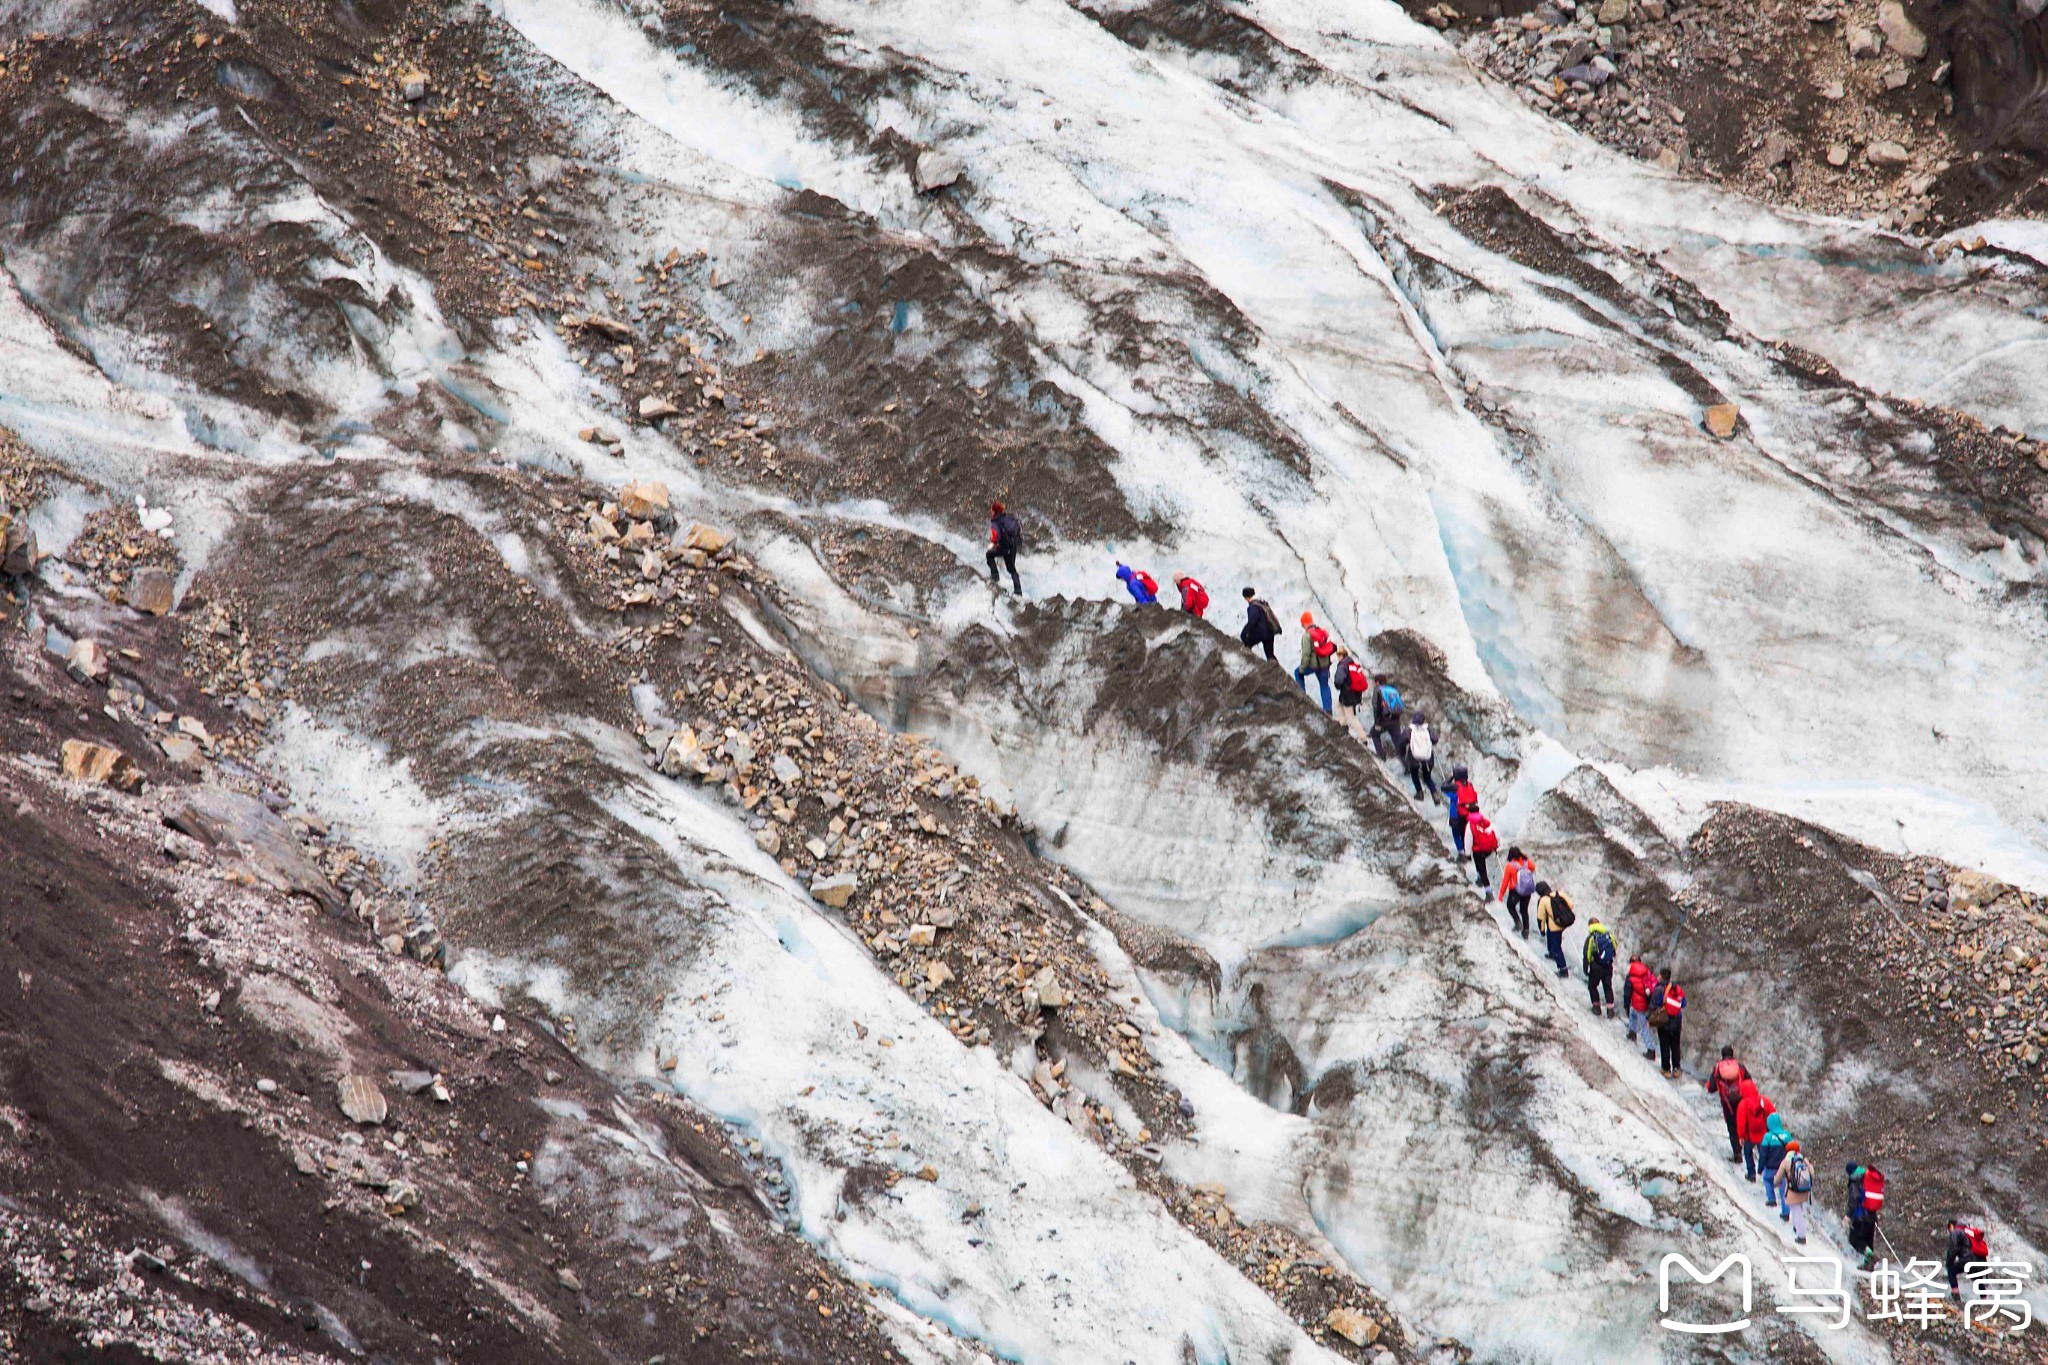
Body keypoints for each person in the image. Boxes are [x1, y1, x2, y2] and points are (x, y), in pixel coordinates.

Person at [1705, 1047, 1752, 1164]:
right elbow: (1749, 1081)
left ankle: (1737, 1154)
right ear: (1732, 1054)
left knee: (1732, 1127)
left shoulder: (1718, 1068)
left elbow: (1711, 1088)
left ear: (1722, 1055)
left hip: (1727, 1103)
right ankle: (1748, 1149)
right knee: (1742, 1123)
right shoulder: (1740, 1067)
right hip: (1741, 1100)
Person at [1844, 1164, 1884, 1269]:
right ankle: (1868, 1265)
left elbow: (1854, 1199)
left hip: (1860, 1216)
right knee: (1868, 1240)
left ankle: (1871, 1256)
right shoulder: (1867, 1177)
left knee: (1854, 1240)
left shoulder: (1855, 1181)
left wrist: (1848, 1216)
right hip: (1871, 1215)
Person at [1294, 613, 1335, 712]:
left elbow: (1306, 655)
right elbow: (1330, 647)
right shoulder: (1322, 632)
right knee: (1324, 685)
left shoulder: (1307, 636)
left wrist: (1302, 670)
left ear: (1304, 624)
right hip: (1325, 665)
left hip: (1314, 665)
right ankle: (1328, 710)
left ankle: (1302, 700)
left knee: (1297, 672)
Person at [1775, 1141, 1814, 1244]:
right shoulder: (1803, 1159)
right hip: (1804, 1190)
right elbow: (1812, 1173)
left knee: (1796, 1212)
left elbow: (1778, 1177)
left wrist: (1774, 1183)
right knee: (1798, 1209)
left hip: (1793, 1191)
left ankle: (1801, 1236)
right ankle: (1796, 1227)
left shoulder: (1786, 1161)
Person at [1735, 1080, 1769, 1182]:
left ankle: (1751, 1174)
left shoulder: (1742, 1104)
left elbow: (1741, 1123)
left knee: (1748, 1153)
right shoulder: (1764, 1100)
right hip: (1763, 1135)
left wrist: (1740, 1136)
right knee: (1764, 1155)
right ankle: (1766, 1174)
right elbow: (1772, 1114)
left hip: (1749, 1137)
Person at [1625, 957, 1659, 1058]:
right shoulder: (1646, 971)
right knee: (1633, 1014)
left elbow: (1627, 993)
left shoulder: (1631, 977)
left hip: (1638, 1004)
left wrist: (1626, 1005)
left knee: (1644, 1027)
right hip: (1646, 1003)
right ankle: (1632, 1032)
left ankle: (1651, 1049)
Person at [1946, 1219, 1990, 1299]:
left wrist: (1949, 1262)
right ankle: (1984, 1300)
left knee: (1951, 1271)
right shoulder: (1969, 1232)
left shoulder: (1956, 1231)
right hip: (1980, 1260)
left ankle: (1955, 1295)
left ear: (1951, 1226)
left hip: (1968, 1259)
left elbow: (1953, 1248)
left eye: (1949, 1228)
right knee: (1977, 1279)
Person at [1498, 847, 1536, 938]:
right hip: (1527, 891)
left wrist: (1501, 895)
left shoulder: (1509, 866)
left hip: (1516, 891)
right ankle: (1526, 931)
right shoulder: (1527, 862)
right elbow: (1533, 868)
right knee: (1524, 910)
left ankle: (1518, 923)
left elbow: (1505, 881)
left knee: (1510, 906)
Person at [1758, 1112, 1791, 1214]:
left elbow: (1763, 1155)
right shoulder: (1787, 1135)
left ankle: (1771, 1199)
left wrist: (1760, 1168)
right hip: (1784, 1168)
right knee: (1783, 1190)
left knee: (1767, 1179)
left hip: (1770, 1167)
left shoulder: (1767, 1137)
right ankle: (1785, 1212)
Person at [1334, 649, 1371, 740]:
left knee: (1352, 717)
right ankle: (1343, 723)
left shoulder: (1342, 665)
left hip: (1347, 695)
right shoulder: (1352, 664)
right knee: (1338, 705)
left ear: (1340, 656)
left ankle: (1363, 738)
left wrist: (1338, 686)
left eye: (1338, 656)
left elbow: (1339, 680)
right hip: (1355, 694)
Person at [986, 502, 1023, 594]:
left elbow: (996, 535)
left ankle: (995, 577)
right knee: (1011, 569)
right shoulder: (1008, 518)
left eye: (992, 510)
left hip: (1003, 548)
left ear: (994, 511)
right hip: (1012, 546)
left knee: (989, 555)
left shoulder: (995, 522)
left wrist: (993, 543)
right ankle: (1018, 591)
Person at [1582, 917, 1616, 1016]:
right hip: (1608, 966)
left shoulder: (1591, 938)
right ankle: (1610, 1010)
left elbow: (1586, 954)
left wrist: (1586, 967)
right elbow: (1614, 947)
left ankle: (1597, 1007)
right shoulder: (1609, 935)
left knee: (1592, 986)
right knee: (1608, 987)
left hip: (1596, 967)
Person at [1653, 974, 1684, 1076]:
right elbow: (1683, 1003)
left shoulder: (1662, 991)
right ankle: (1676, 1069)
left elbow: (1656, 1003)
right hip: (1677, 1021)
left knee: (1665, 1046)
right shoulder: (1678, 992)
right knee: (1675, 1045)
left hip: (1665, 1021)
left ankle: (1666, 1069)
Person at [1441, 765, 1476, 852]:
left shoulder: (1455, 787)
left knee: (1456, 835)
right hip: (1467, 814)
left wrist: (1451, 777)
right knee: (1463, 834)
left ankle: (1461, 853)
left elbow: (1443, 787)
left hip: (1455, 815)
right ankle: (1466, 850)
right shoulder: (1470, 785)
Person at [1239, 587, 1280, 661]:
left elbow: (1252, 621)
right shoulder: (1262, 602)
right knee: (1270, 654)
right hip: (1270, 631)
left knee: (1246, 646)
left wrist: (1244, 633)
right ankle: (1276, 670)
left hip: (1261, 632)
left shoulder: (1253, 607)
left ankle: (1245, 662)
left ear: (1246, 597)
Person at [1368, 676, 1405, 758]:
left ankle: (1381, 755)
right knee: (1397, 741)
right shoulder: (1392, 690)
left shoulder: (1378, 690)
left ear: (1377, 682)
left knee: (1374, 734)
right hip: (1395, 720)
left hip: (1384, 721)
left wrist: (1377, 723)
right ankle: (1406, 763)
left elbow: (1376, 708)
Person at [1406, 711, 1438, 803]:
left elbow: (1403, 741)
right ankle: (1435, 794)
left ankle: (1420, 793)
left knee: (1414, 774)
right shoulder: (1428, 728)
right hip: (1427, 758)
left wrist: (1402, 752)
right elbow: (1435, 739)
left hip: (1414, 758)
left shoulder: (1409, 729)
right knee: (1427, 776)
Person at [1465, 803, 1498, 889]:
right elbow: (1493, 833)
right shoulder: (1485, 821)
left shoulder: (1470, 825)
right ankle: (1480, 879)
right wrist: (1495, 845)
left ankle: (1488, 891)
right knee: (1482, 867)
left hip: (1478, 851)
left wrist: (1467, 854)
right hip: (1488, 849)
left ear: (1469, 812)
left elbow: (1468, 840)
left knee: (1481, 869)